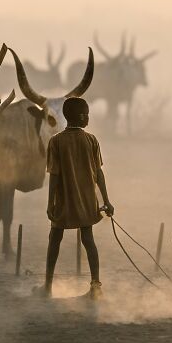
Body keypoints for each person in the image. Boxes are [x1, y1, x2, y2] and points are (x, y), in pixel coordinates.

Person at [35, 97, 114, 299]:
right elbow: (99, 174)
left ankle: (48, 286)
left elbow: (54, 175)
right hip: (87, 200)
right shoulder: (91, 140)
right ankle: (96, 287)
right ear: (81, 116)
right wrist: (106, 200)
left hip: (64, 200)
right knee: (88, 239)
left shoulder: (56, 141)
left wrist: (50, 202)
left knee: (55, 239)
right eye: (87, 114)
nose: (88, 117)